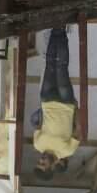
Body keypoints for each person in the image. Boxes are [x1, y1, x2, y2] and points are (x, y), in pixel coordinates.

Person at [33, 27, 81, 181]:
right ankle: (62, 32)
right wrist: (77, 108)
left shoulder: (38, 145)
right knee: (61, 67)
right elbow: (78, 129)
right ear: (51, 167)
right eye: (43, 164)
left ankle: (55, 30)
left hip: (47, 99)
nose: (41, 160)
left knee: (49, 63)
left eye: (39, 162)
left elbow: (39, 124)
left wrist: (42, 106)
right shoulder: (67, 151)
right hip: (66, 102)